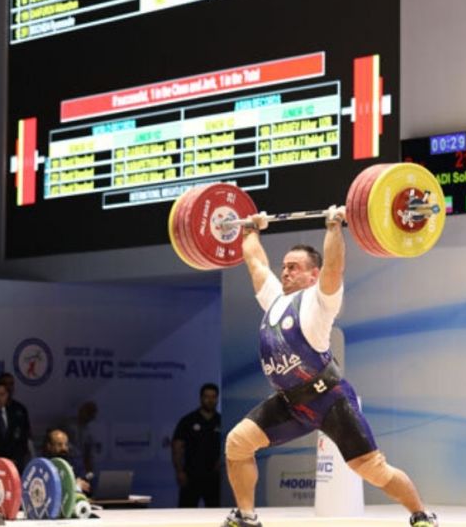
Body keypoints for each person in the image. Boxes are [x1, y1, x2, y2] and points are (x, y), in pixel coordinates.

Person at [221, 206, 438, 527]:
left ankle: (421, 515)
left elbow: (334, 267)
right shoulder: (274, 298)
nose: (285, 273)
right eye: (284, 267)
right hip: (290, 404)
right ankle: (246, 517)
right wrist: (251, 229)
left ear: (313, 274)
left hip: (330, 401)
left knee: (372, 469)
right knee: (237, 444)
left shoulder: (319, 302)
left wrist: (334, 227)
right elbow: (255, 262)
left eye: (294, 268)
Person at [172, 383, 222, 507]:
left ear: (217, 399)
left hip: (214, 477)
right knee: (185, 513)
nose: (210, 400)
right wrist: (179, 471)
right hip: (190, 476)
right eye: (207, 396)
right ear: (201, 398)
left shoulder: (222, 421)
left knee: (214, 513)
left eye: (213, 397)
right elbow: (177, 447)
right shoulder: (188, 421)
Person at [0, 379, 31, 471]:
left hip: (14, 465)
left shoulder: (17, 413)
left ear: (7, 395)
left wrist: (15, 460)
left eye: (2, 394)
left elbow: (23, 439)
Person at [42, 427, 91, 494]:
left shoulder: (73, 460)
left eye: (66, 444)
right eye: (59, 445)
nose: (64, 448)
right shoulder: (43, 465)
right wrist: (75, 486)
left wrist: (83, 483)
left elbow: (84, 481)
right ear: (49, 446)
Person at [64, 401, 98, 477]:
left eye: (91, 415)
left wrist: (89, 470)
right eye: (87, 413)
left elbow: (89, 453)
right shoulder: (67, 425)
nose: (89, 417)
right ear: (81, 411)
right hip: (67, 463)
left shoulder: (89, 432)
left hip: (80, 467)